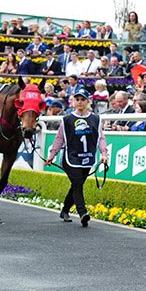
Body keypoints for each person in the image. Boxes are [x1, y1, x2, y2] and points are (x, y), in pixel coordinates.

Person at [45, 87, 109, 226]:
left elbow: (101, 138)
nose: (80, 102)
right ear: (73, 101)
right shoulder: (67, 119)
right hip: (70, 158)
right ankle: (82, 213)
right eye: (77, 100)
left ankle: (65, 210)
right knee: (78, 184)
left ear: (88, 101)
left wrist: (104, 154)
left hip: (87, 158)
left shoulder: (95, 119)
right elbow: (59, 139)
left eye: (82, 100)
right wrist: (52, 155)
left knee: (76, 185)